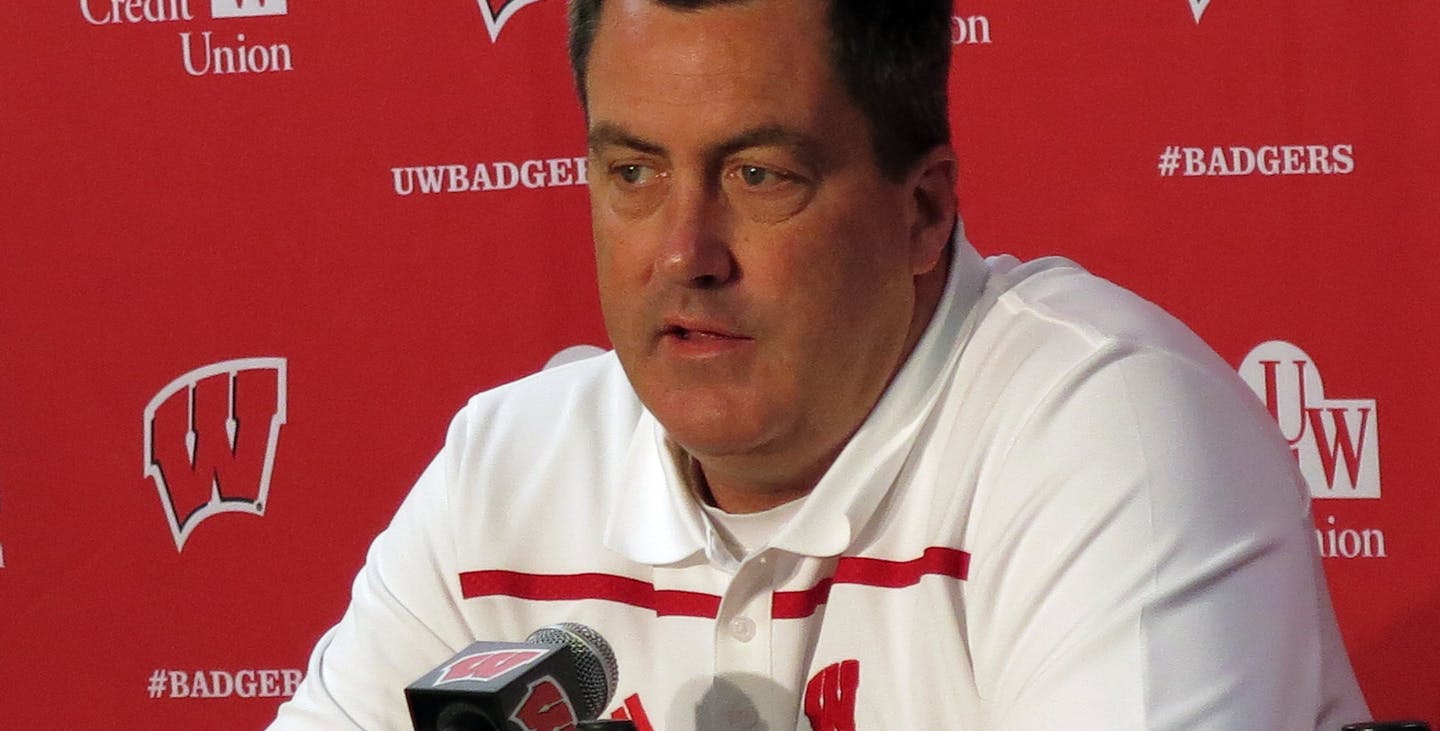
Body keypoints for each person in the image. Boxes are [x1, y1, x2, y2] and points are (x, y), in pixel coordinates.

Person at [271, 1, 1369, 728]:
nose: (683, 252)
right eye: (634, 172)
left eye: (758, 175)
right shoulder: (504, 473)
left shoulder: (1110, 433)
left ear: (924, 212)